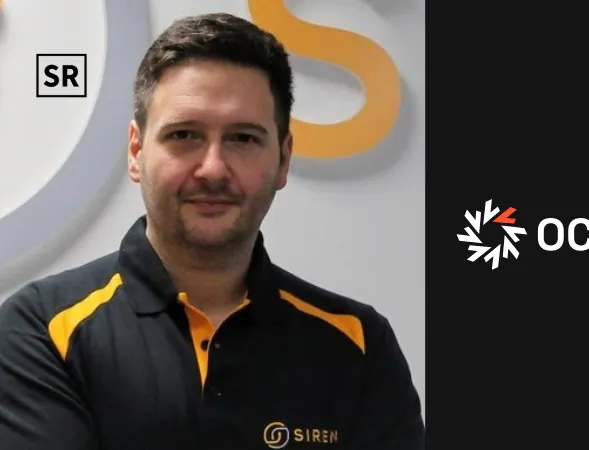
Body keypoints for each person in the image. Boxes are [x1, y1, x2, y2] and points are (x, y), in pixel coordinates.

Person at [0, 12, 424, 450]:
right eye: (184, 135)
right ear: (136, 151)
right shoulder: (41, 330)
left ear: (283, 159)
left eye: (243, 138)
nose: (213, 169)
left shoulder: (358, 343)